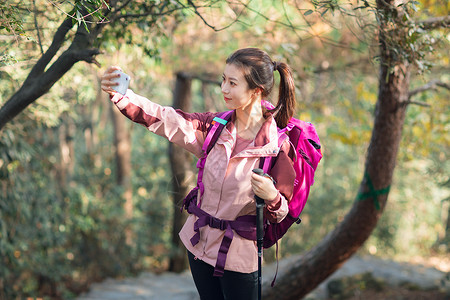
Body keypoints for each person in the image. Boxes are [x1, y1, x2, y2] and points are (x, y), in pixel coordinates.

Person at [101, 48, 297, 300]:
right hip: (198, 244)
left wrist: (272, 196)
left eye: (232, 83)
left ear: (256, 90)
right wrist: (123, 96)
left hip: (238, 258)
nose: (224, 89)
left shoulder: (276, 147)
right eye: (223, 80)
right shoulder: (214, 128)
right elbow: (166, 119)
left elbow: (282, 212)